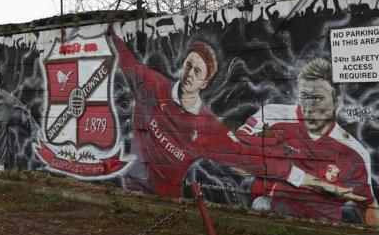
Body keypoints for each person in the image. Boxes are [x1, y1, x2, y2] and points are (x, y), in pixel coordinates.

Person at [234, 58, 379, 225]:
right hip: (271, 220)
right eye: (304, 96)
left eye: (317, 98)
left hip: (324, 233)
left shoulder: (354, 152)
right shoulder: (274, 117)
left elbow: (367, 204)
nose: (309, 107)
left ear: (337, 100)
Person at [111, 34, 256, 196]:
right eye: (189, 66)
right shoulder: (152, 85)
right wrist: (108, 30)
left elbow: (244, 159)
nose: (190, 74)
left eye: (197, 71)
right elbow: (124, 56)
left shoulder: (208, 125)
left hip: (167, 201)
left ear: (205, 82)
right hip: (130, 186)